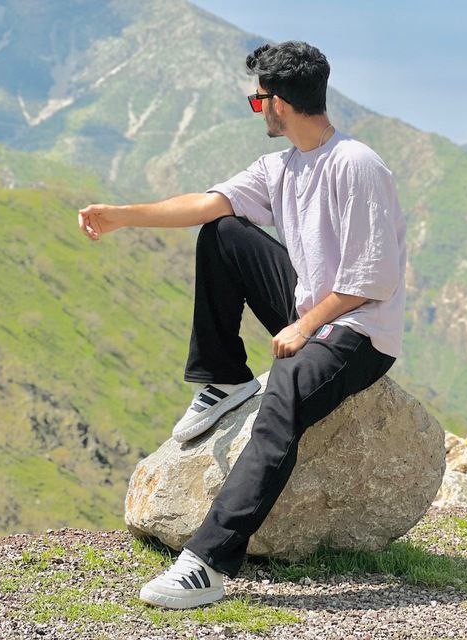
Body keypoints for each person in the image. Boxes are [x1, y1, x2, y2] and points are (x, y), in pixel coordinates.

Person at [78, 40, 407, 610]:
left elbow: (372, 278)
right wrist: (121, 217)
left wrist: (302, 328)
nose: (258, 111)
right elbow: (206, 205)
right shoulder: (282, 166)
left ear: (279, 102)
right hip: (313, 307)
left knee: (285, 393)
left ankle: (207, 564)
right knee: (224, 233)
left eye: (259, 102)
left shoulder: (356, 165)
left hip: (359, 329)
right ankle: (226, 376)